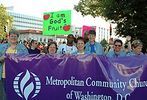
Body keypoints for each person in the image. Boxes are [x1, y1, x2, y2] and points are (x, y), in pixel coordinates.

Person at [0, 29, 29, 100]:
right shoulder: (1, 47)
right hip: (4, 75)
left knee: (15, 95)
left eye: (15, 36)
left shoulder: (22, 48)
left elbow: (27, 59)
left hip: (17, 75)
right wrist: (1, 58)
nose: (13, 38)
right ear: (9, 37)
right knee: (3, 96)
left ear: (18, 37)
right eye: (12, 36)